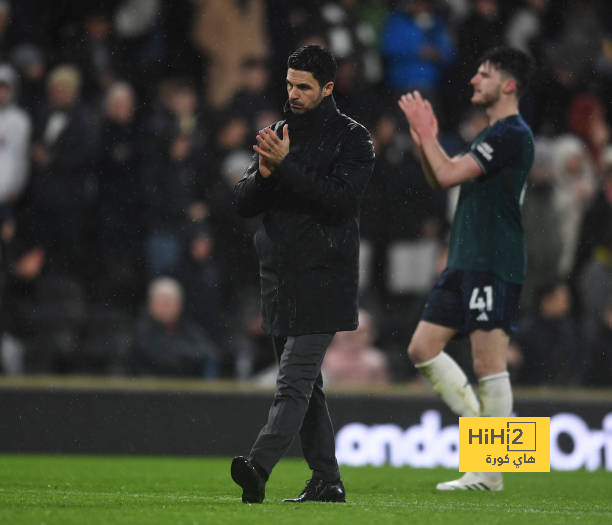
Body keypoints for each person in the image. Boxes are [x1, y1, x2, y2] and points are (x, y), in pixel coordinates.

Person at [230, 45, 375, 504]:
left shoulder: (353, 139)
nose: (292, 93)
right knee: (307, 388)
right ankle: (327, 481)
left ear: (328, 88)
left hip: (325, 275)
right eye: (289, 83)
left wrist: (284, 169)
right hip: (279, 274)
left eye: (303, 86)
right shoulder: (276, 132)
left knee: (293, 381)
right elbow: (243, 202)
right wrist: (268, 174)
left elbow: (339, 201)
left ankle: (259, 466)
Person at [398, 47, 534, 491]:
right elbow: (440, 175)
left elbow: (451, 173)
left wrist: (427, 136)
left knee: (487, 362)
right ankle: (492, 444)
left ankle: (491, 470)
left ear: (508, 85)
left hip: (494, 260)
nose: (474, 80)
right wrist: (425, 140)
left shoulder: (512, 133)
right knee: (421, 349)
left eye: (484, 73)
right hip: (464, 260)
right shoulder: (491, 132)